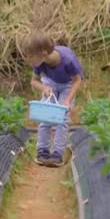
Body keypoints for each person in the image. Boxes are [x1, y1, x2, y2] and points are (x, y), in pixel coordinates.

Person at [21, 31, 83, 167]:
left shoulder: (68, 59)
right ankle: (42, 151)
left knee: (62, 118)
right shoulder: (40, 63)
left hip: (68, 85)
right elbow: (34, 81)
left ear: (43, 54)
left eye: (30, 56)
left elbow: (77, 81)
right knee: (46, 117)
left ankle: (57, 154)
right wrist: (44, 88)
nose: (28, 59)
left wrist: (67, 100)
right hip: (49, 83)